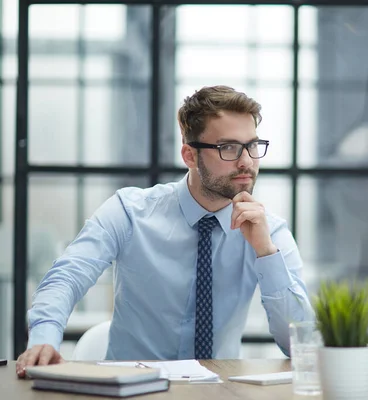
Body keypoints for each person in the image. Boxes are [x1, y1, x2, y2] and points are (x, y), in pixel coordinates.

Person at [16, 85, 314, 377]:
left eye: (252, 146)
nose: (246, 162)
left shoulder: (269, 230)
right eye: (229, 148)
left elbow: (300, 345)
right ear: (189, 156)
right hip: (132, 391)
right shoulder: (130, 211)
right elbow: (67, 276)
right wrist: (44, 338)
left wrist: (266, 253)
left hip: (219, 392)